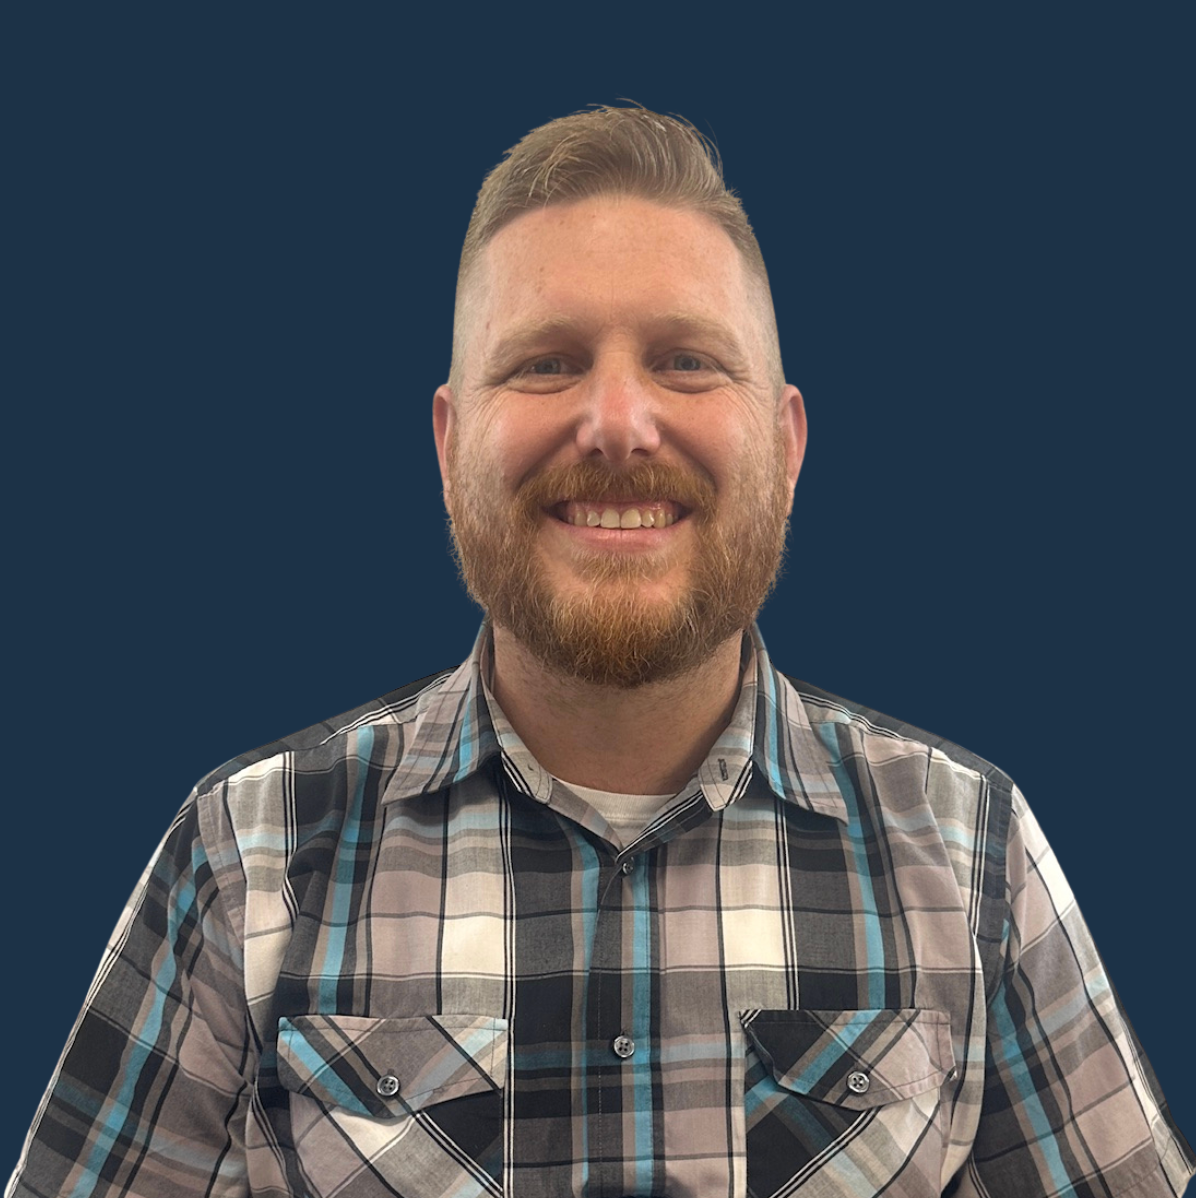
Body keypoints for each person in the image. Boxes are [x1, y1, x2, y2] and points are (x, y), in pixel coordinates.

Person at [7, 104, 1192, 1198]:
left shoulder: (973, 852)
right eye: (545, 361)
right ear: (449, 439)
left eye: (684, 359)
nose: (617, 423)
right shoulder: (247, 860)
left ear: (784, 445)